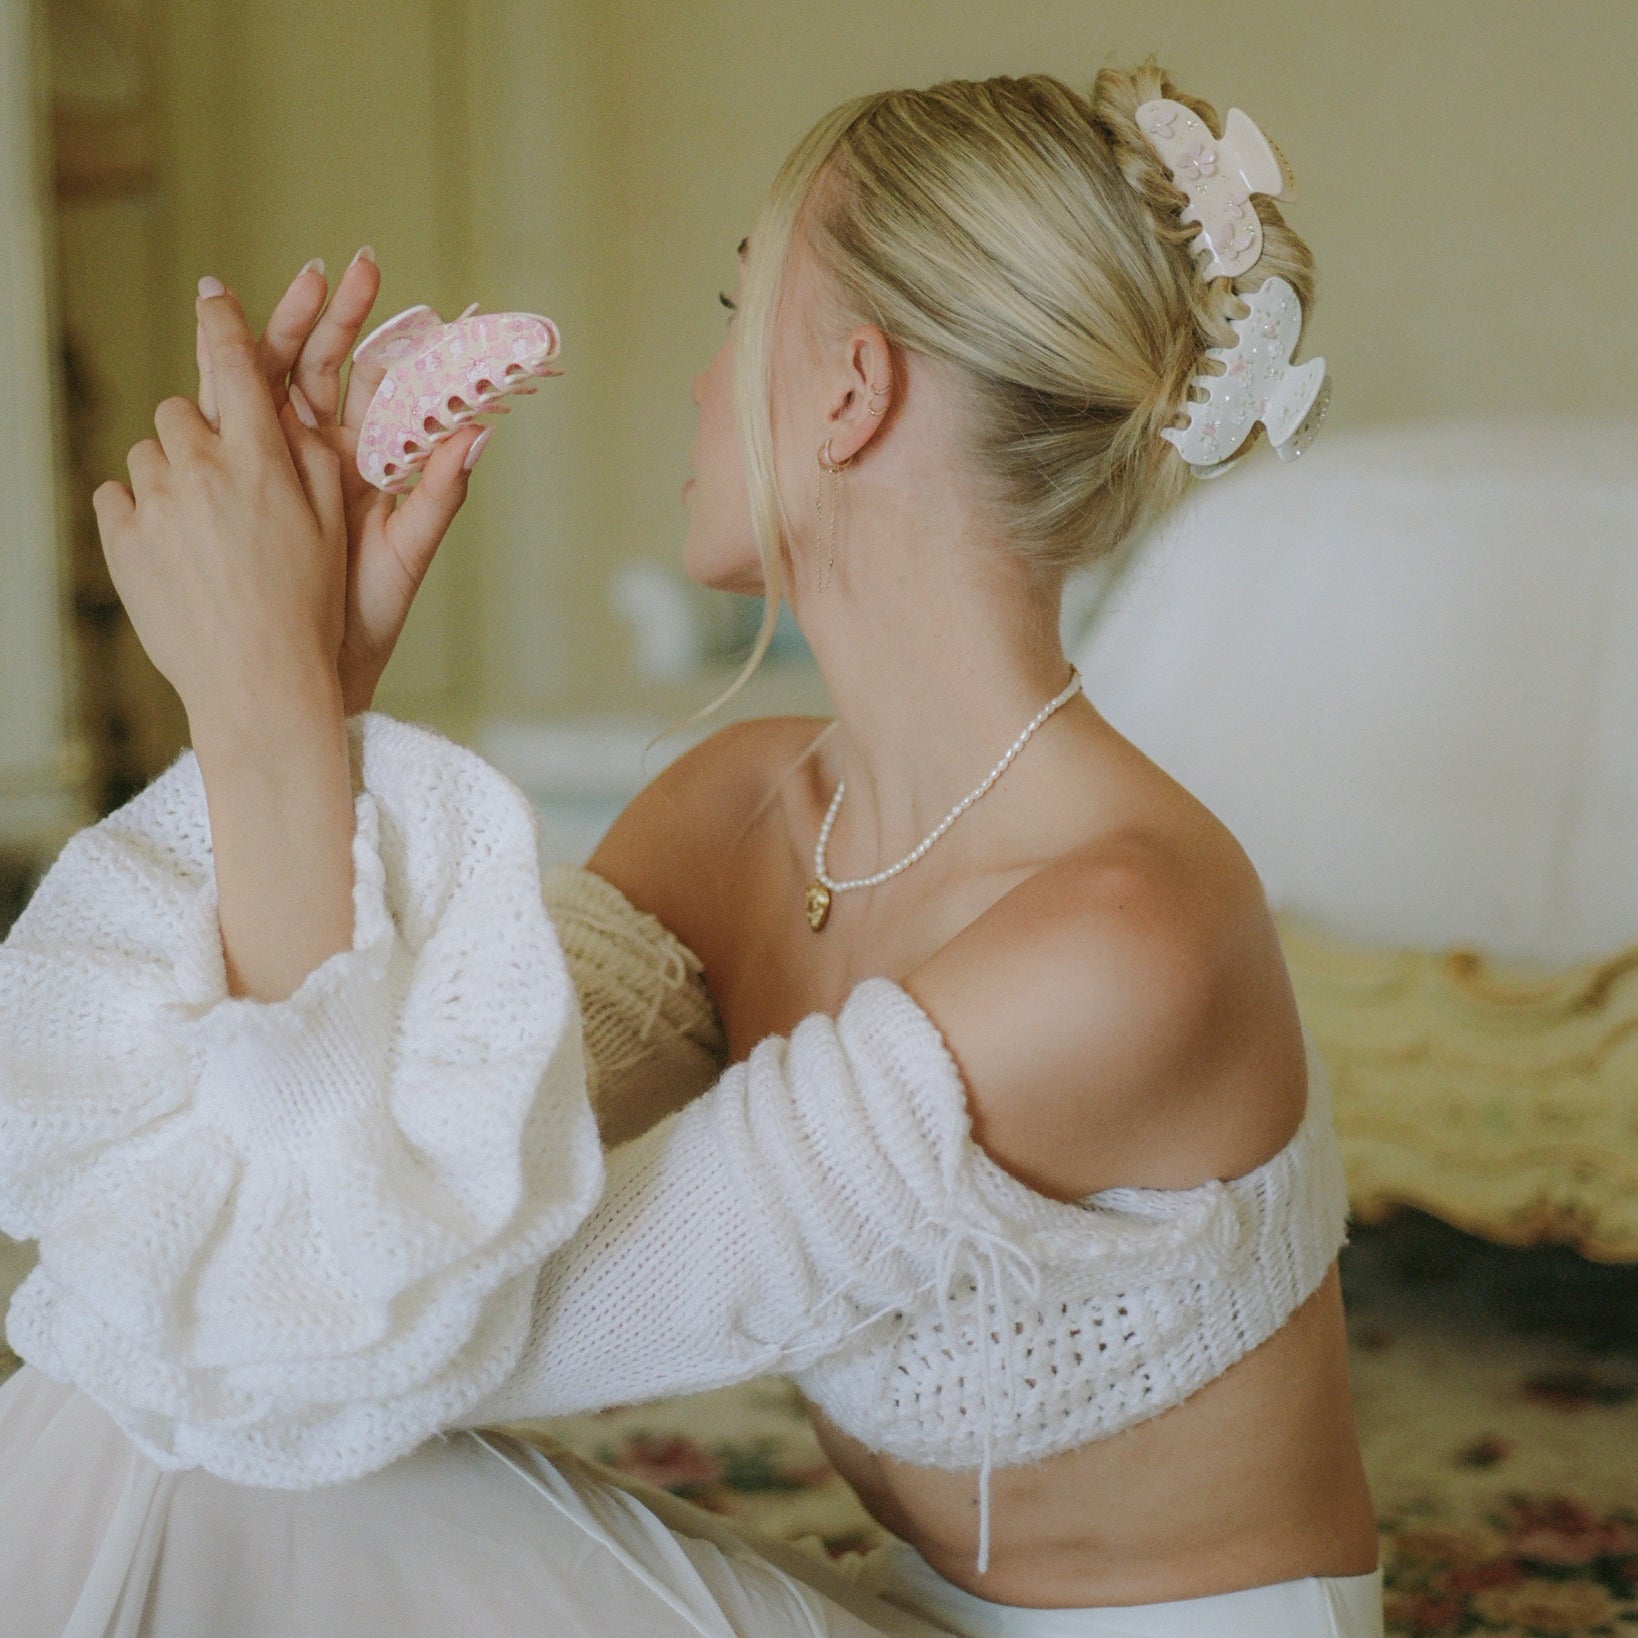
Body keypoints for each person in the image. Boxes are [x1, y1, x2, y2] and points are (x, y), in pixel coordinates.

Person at [0, 62, 1383, 1637]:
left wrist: (260, 716)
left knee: (226, 1445)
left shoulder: (1123, 942)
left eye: (740, 306)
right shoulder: (742, 812)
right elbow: (330, 1232)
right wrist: (314, 703)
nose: (703, 378)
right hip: (913, 1609)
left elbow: (347, 1347)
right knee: (147, 1411)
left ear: (853, 390)